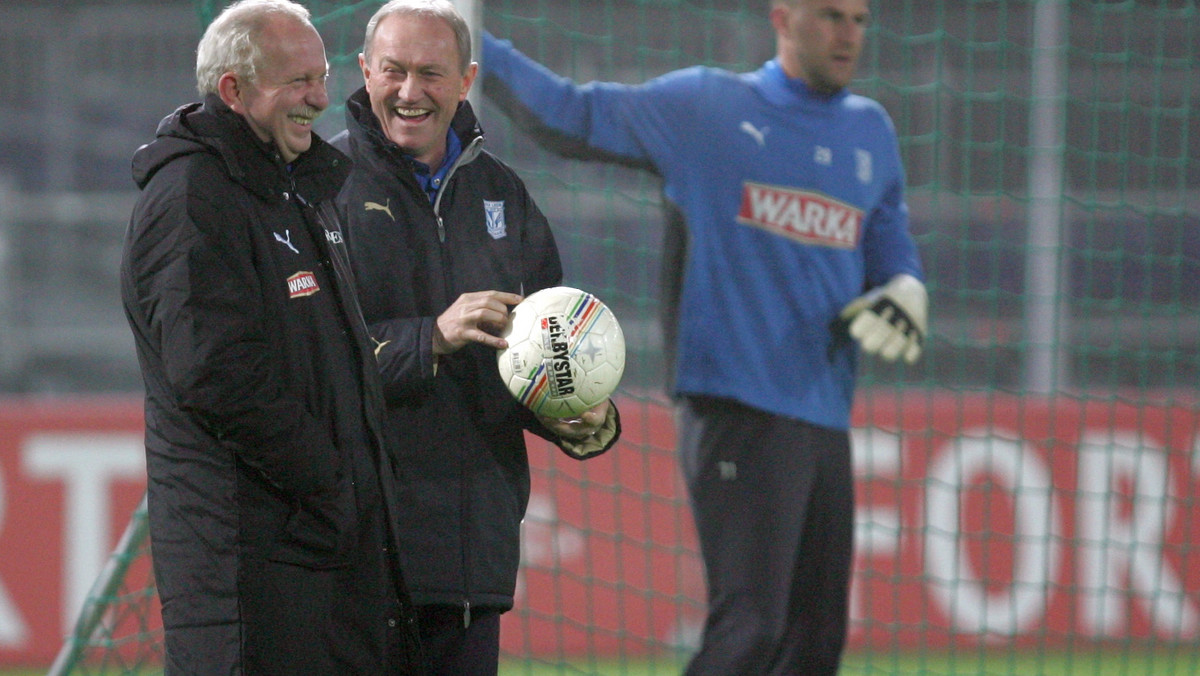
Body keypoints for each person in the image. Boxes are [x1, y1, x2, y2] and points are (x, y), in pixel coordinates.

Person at [481, 0, 928, 673]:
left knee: (814, 643)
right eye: (832, 16)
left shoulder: (871, 131)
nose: (849, 35)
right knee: (750, 630)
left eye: (860, 20)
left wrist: (905, 287)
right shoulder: (707, 108)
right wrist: (464, 34)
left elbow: (889, 237)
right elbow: (568, 115)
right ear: (783, 16)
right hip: (736, 407)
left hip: (826, 415)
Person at [118, 1, 424, 672]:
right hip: (247, 562)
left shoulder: (292, 187)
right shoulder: (192, 197)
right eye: (298, 82)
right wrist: (330, 479)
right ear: (233, 90)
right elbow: (217, 375)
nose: (320, 98)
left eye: (320, 77)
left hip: (313, 548)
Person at [332, 1, 622, 673]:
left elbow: (541, 357)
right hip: (357, 561)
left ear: (465, 80)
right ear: (364, 72)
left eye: (430, 74)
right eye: (394, 71)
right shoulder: (322, 191)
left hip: (472, 563)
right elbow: (313, 370)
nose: (410, 93)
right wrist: (430, 337)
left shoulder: (506, 197)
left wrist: (579, 417)